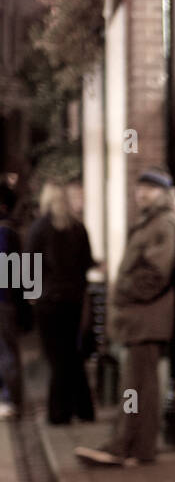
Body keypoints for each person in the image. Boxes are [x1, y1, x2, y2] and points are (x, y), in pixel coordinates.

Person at [75, 169, 175, 467]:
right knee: (141, 387)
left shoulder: (163, 224)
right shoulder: (153, 222)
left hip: (146, 319)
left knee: (139, 387)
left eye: (149, 188)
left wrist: (123, 292)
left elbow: (157, 274)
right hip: (142, 320)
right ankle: (136, 447)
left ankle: (125, 447)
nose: (141, 193)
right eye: (139, 188)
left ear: (163, 192)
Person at [27, 179, 96, 425]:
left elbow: (28, 268)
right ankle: (84, 408)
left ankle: (59, 412)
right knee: (72, 354)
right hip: (73, 300)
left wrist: (30, 297)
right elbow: (87, 263)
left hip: (49, 302)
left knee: (57, 357)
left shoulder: (39, 228)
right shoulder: (78, 228)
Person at [0, 182, 25, 420]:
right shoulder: (12, 232)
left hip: (4, 300)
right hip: (6, 300)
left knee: (7, 351)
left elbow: (23, 270)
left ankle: (10, 398)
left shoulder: (8, 233)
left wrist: (28, 299)